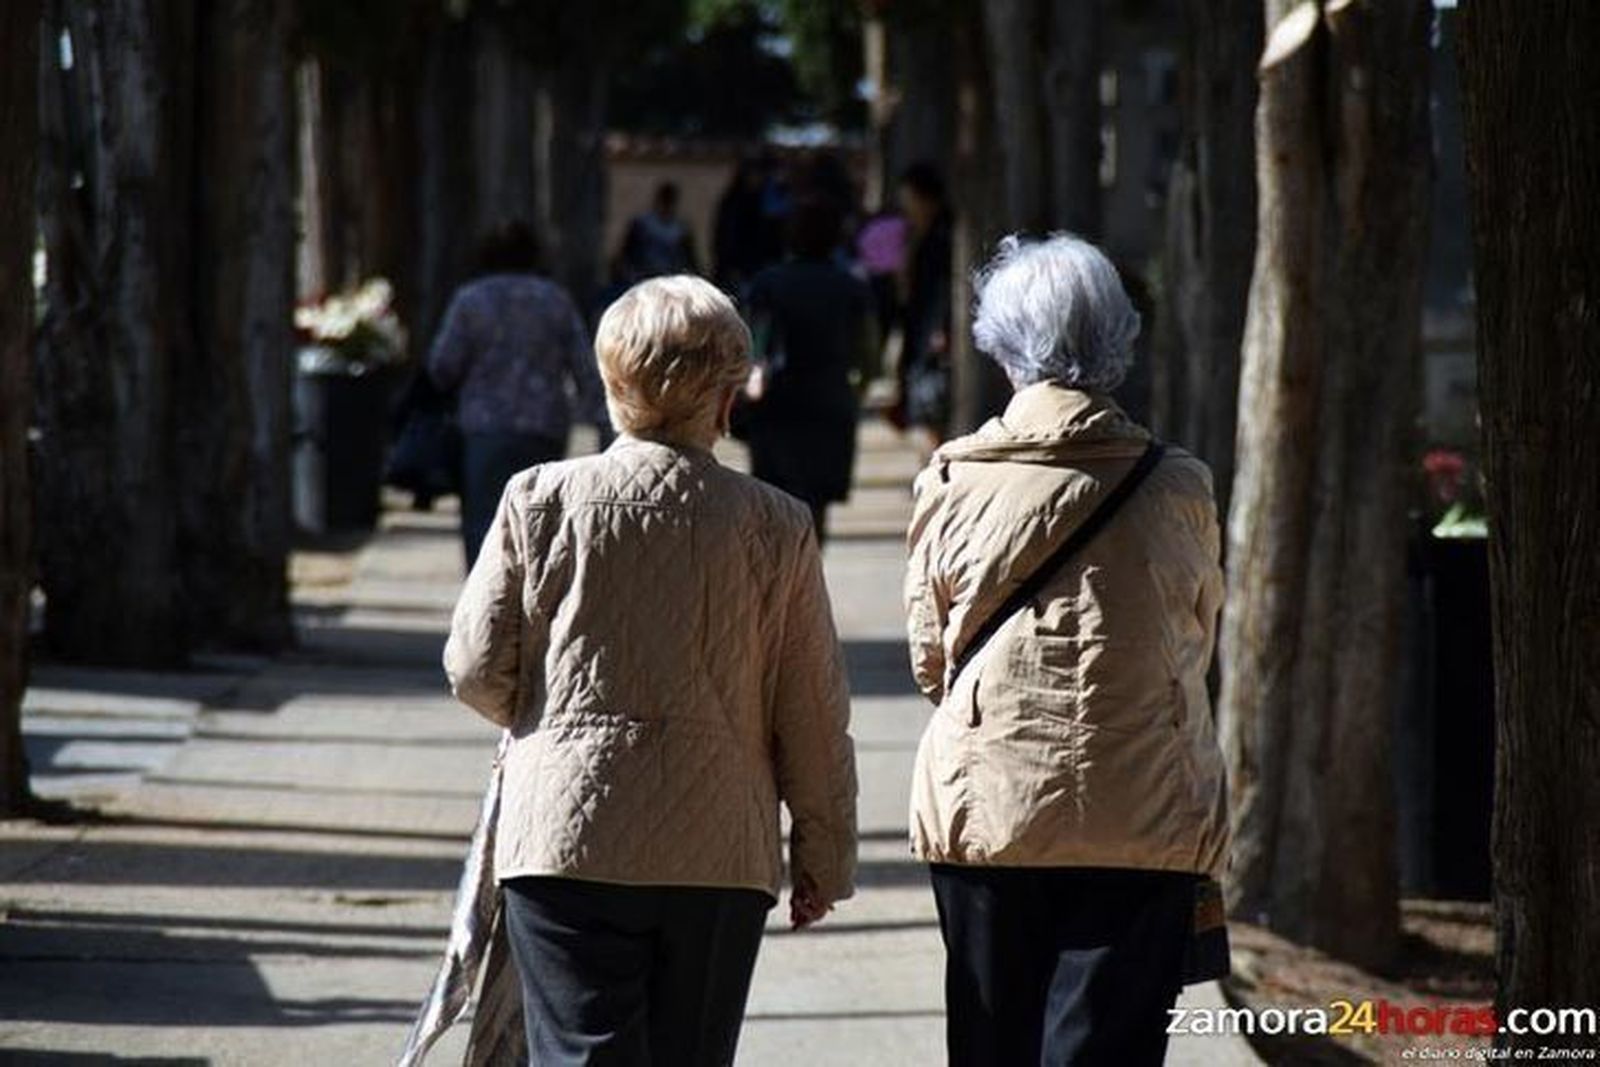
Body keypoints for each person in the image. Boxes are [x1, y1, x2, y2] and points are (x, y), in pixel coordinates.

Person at [443, 274, 858, 1067]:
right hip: (717, 850)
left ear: (611, 384)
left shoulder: (539, 498)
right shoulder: (776, 525)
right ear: (727, 395)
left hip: (564, 839)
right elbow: (808, 708)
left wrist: (546, 722)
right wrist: (822, 856)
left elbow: (472, 664)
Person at [903, 234, 1229, 1066]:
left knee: (992, 1042)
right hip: (1145, 807)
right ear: (1119, 340)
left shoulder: (953, 479)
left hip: (989, 809)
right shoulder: (1177, 483)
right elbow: (1199, 636)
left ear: (1002, 343)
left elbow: (930, 660)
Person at [427, 221, 610, 568]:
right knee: (538, 523)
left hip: (484, 428)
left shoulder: (471, 300)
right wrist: (599, 420)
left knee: (484, 522)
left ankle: (485, 606)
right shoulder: (555, 300)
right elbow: (585, 368)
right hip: (544, 428)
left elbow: (442, 367)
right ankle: (532, 604)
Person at [741, 196, 876, 542]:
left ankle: (774, 589)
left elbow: (752, 346)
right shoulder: (852, 287)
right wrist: (855, 391)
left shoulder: (766, 284)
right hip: (829, 402)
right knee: (815, 509)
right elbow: (869, 358)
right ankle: (807, 587)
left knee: (771, 505)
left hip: (777, 406)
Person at [894, 162, 954, 448]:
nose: (906, 206)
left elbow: (943, 285)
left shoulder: (943, 234)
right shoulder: (923, 232)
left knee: (933, 398)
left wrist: (942, 326)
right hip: (921, 320)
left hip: (932, 324)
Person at [712, 154, 782, 294]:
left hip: (757, 266)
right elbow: (726, 237)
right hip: (737, 268)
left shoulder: (763, 201)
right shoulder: (734, 203)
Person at [617, 181, 700, 282]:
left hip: (670, 277)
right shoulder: (642, 224)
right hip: (644, 276)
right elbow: (627, 252)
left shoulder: (681, 229)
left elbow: (690, 259)